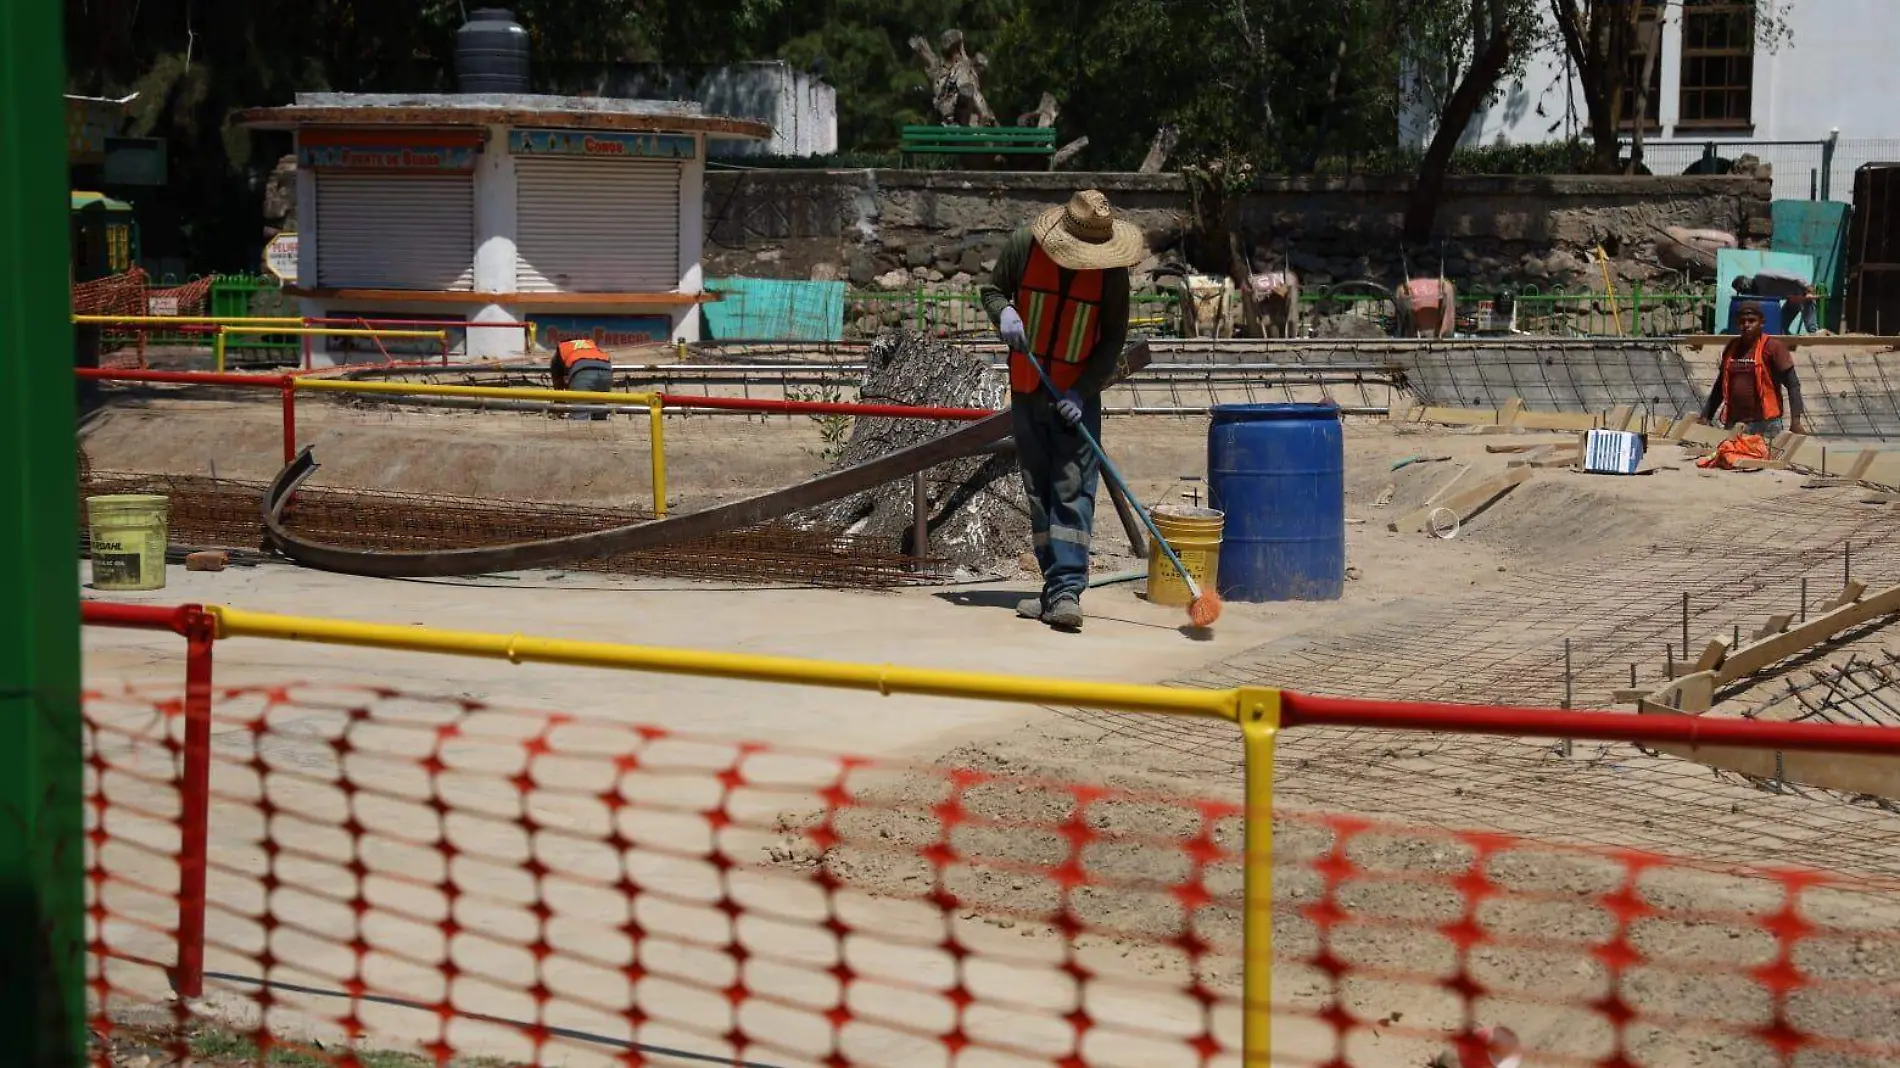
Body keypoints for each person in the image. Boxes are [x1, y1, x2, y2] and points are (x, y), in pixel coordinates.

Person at [979, 189, 1142, 631]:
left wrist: (1082, 392)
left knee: (1072, 487)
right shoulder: (1024, 246)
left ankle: (1068, 590)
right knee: (1039, 491)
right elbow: (992, 290)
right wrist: (1004, 313)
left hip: (1075, 399)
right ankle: (1053, 588)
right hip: (1029, 388)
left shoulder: (1110, 275)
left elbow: (1112, 340)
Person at [1700, 301, 1808, 438]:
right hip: (1735, 424)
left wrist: (1796, 422)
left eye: (1752, 321)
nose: (1746, 325)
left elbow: (1793, 385)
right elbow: (1719, 387)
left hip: (1765, 425)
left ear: (1762, 322)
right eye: (1742, 321)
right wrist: (1706, 416)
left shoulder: (1773, 348)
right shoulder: (1732, 347)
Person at [1731, 270, 1818, 334]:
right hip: (1792, 298)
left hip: (1802, 291)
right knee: (1780, 326)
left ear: (1746, 285)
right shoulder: (1759, 292)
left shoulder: (1761, 277)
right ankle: (1791, 343)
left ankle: (1817, 339)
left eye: (1743, 291)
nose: (1745, 294)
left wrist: (1807, 287)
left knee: (1810, 324)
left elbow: (1789, 276)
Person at [550, 336, 613, 420]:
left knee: (579, 415)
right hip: (606, 371)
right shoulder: (590, 344)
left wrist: (559, 408)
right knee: (599, 412)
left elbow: (558, 383)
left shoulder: (562, 347)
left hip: (583, 371)